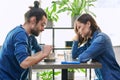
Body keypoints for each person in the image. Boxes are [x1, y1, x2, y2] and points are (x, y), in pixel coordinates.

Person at [0, 1, 53, 80]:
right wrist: (44, 54)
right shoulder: (20, 34)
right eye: (42, 24)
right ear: (33, 20)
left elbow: (38, 51)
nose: (43, 29)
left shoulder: (30, 37)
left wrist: (41, 53)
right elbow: (24, 62)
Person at [71, 13, 120, 80]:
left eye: (79, 27)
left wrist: (83, 55)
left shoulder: (101, 39)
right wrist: (76, 41)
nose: (79, 31)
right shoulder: (90, 41)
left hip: (112, 77)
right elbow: (74, 55)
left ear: (88, 24)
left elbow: (82, 58)